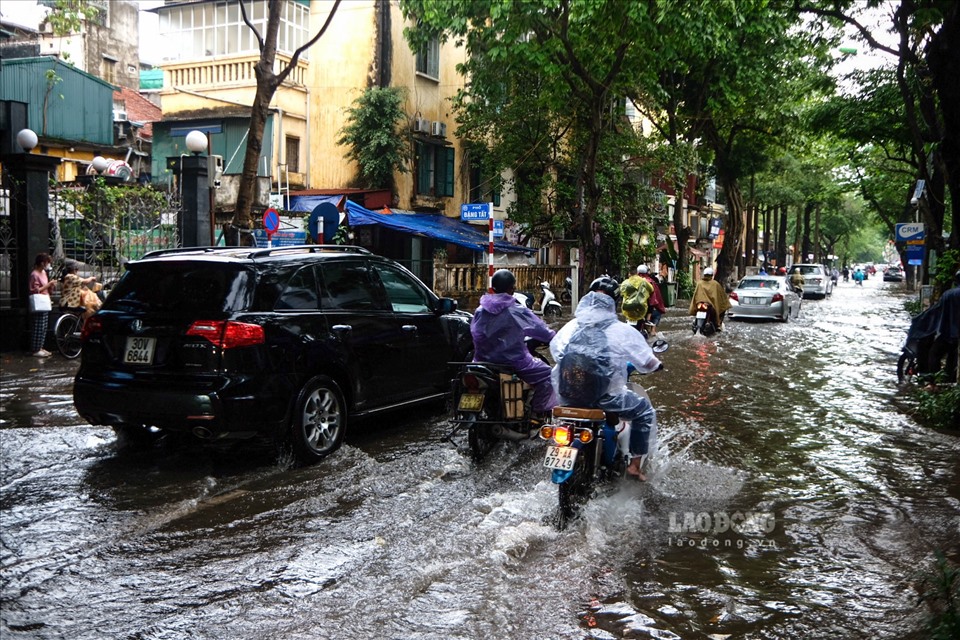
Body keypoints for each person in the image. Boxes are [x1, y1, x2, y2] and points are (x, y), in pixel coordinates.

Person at [550, 277, 662, 479]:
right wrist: (656, 365)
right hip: (605, 399)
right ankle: (634, 467)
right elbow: (648, 363)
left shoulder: (571, 326)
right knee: (644, 411)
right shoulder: (621, 330)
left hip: (569, 396)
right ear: (614, 303)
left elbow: (557, 352)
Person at [471, 269, 557, 417]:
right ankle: (537, 413)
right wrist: (555, 338)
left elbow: (474, 332)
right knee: (549, 375)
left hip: (482, 362)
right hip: (513, 362)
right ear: (512, 289)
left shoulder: (480, 310)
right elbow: (540, 329)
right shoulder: (516, 310)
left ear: (492, 288)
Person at [926, 270, 960, 384]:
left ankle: (934, 382)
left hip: (948, 333)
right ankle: (949, 381)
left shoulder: (948, 294)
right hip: (954, 335)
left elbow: (937, 311)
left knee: (934, 354)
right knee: (953, 359)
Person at [28, 253, 56, 357]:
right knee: (38, 326)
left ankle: (40, 347)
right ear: (42, 263)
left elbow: (46, 288)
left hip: (45, 300)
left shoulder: (44, 272)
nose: (48, 264)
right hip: (39, 301)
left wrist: (51, 286)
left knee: (44, 326)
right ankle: (35, 349)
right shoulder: (34, 274)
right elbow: (34, 290)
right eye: (47, 262)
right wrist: (48, 285)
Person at [620, 265, 655, 332]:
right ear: (637, 273)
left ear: (629, 274)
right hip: (640, 308)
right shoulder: (644, 281)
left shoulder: (625, 283)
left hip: (627, 308)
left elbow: (622, 293)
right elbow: (651, 289)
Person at [637, 265, 667, 336]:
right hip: (647, 307)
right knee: (658, 312)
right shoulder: (650, 282)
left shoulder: (632, 281)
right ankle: (653, 330)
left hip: (635, 309)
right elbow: (655, 298)